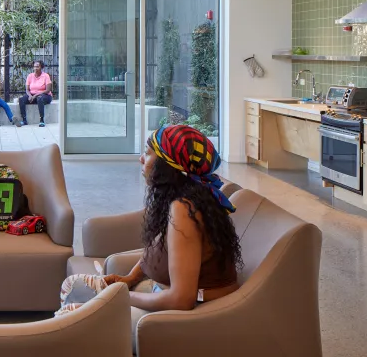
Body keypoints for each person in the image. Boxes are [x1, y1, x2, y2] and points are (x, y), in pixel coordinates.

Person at [57, 125, 240, 324]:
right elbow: (159, 247)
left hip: (188, 315)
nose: (141, 159)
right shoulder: (180, 200)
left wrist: (120, 296)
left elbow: (181, 300)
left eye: (147, 152)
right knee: (72, 285)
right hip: (159, 292)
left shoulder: (184, 210)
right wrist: (129, 279)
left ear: (168, 165)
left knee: (70, 316)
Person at [17, 60, 52, 127]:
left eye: (37, 67)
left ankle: (41, 120)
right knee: (21, 99)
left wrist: (36, 95)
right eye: (34, 67)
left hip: (45, 95)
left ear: (41, 67)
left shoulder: (46, 76)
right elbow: (27, 89)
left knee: (40, 98)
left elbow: (48, 90)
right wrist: (30, 95)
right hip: (32, 95)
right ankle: (24, 120)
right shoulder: (30, 76)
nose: (35, 68)